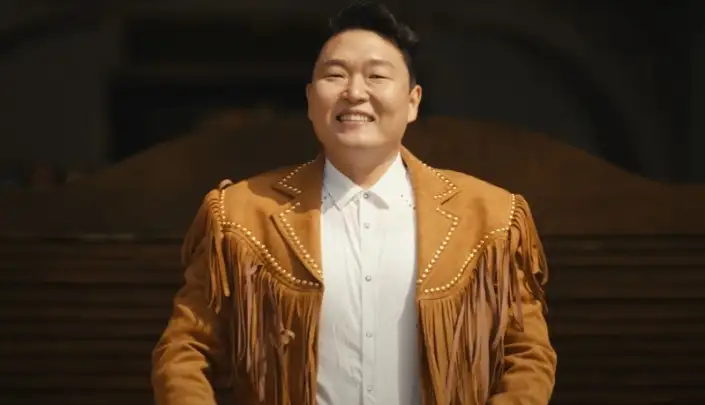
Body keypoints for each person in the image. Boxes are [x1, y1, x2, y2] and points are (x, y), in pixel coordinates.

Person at [151, 1, 557, 404]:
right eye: (335, 75)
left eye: (376, 75)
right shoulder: (242, 214)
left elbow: (527, 355)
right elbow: (185, 351)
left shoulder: (489, 216)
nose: (355, 93)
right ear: (311, 100)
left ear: (413, 101)